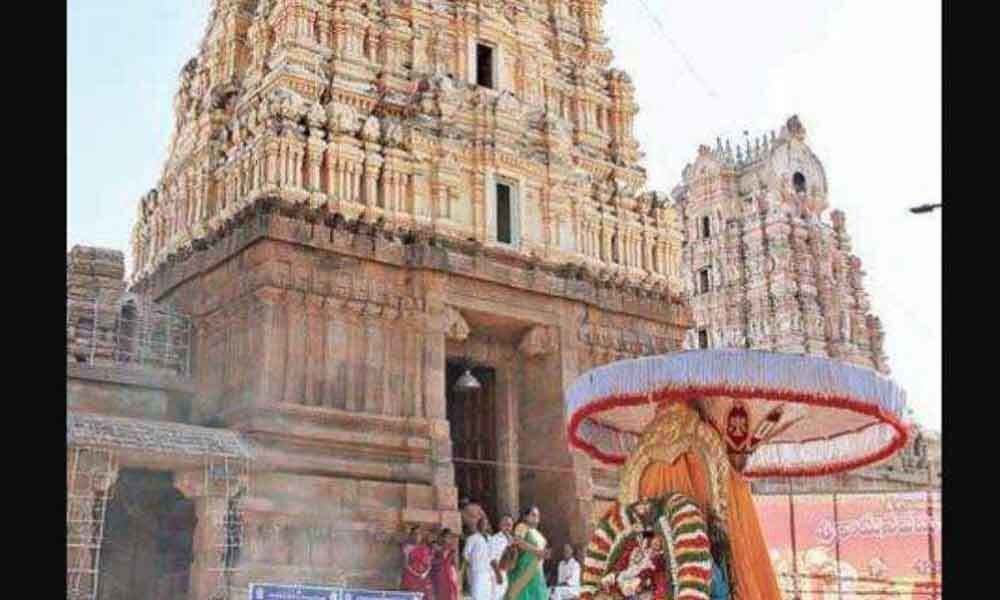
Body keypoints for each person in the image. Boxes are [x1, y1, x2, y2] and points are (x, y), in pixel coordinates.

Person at [505, 506, 550, 600]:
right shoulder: (522, 527)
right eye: (533, 515)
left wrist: (545, 554)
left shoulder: (538, 534)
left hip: (537, 571)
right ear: (525, 517)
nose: (536, 519)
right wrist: (537, 551)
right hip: (524, 570)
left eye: (537, 516)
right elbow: (518, 541)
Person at [464, 517, 495, 600]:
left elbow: (493, 555)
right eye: (481, 524)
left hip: (488, 571)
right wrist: (472, 566)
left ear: (487, 526)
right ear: (477, 526)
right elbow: (466, 555)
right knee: (477, 594)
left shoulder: (491, 539)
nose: (483, 526)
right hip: (477, 571)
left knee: (488, 594)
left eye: (485, 524)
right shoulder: (472, 538)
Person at [402, 526, 435, 600]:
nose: (417, 536)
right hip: (411, 577)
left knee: (427, 595)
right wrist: (416, 574)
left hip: (424, 577)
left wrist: (424, 574)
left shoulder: (425, 548)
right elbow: (405, 564)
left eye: (419, 534)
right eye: (414, 534)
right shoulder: (407, 547)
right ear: (411, 536)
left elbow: (429, 564)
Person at [489, 515, 515, 600]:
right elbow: (492, 559)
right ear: (500, 525)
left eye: (509, 525)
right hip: (497, 573)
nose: (507, 527)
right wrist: (498, 575)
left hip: (508, 573)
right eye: (505, 524)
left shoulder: (512, 539)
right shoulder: (495, 539)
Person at [433, 529, 461, 600]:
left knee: (450, 592)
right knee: (440, 592)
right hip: (439, 573)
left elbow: (454, 562)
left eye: (449, 537)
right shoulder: (436, 547)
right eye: (445, 537)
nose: (447, 539)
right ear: (442, 537)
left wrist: (457, 576)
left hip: (449, 573)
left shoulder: (452, 548)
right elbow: (432, 560)